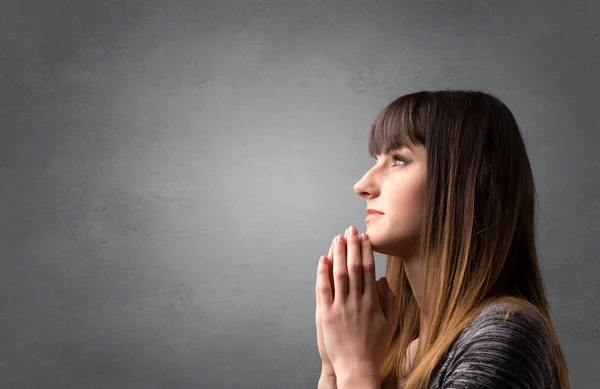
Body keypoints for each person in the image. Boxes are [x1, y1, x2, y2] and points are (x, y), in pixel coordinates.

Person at [314, 90, 570, 389]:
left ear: (465, 182)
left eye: (398, 159)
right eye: (376, 159)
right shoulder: (392, 351)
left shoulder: (503, 332)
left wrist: (354, 370)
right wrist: (332, 371)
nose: (362, 185)